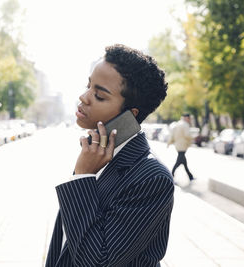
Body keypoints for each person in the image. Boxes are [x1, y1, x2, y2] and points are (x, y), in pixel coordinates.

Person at [46, 44, 174, 267]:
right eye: (88, 86)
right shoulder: (97, 153)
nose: (83, 97)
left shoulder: (152, 178)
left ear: (130, 115)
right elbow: (68, 241)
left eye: (99, 95)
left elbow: (98, 261)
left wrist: (83, 176)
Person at [168, 114, 195, 182]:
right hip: (183, 145)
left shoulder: (178, 123)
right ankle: (171, 174)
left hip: (178, 144)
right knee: (179, 161)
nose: (189, 120)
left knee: (183, 161)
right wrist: (193, 138)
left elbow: (173, 134)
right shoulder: (185, 125)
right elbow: (187, 135)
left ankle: (190, 176)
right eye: (189, 118)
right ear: (186, 118)